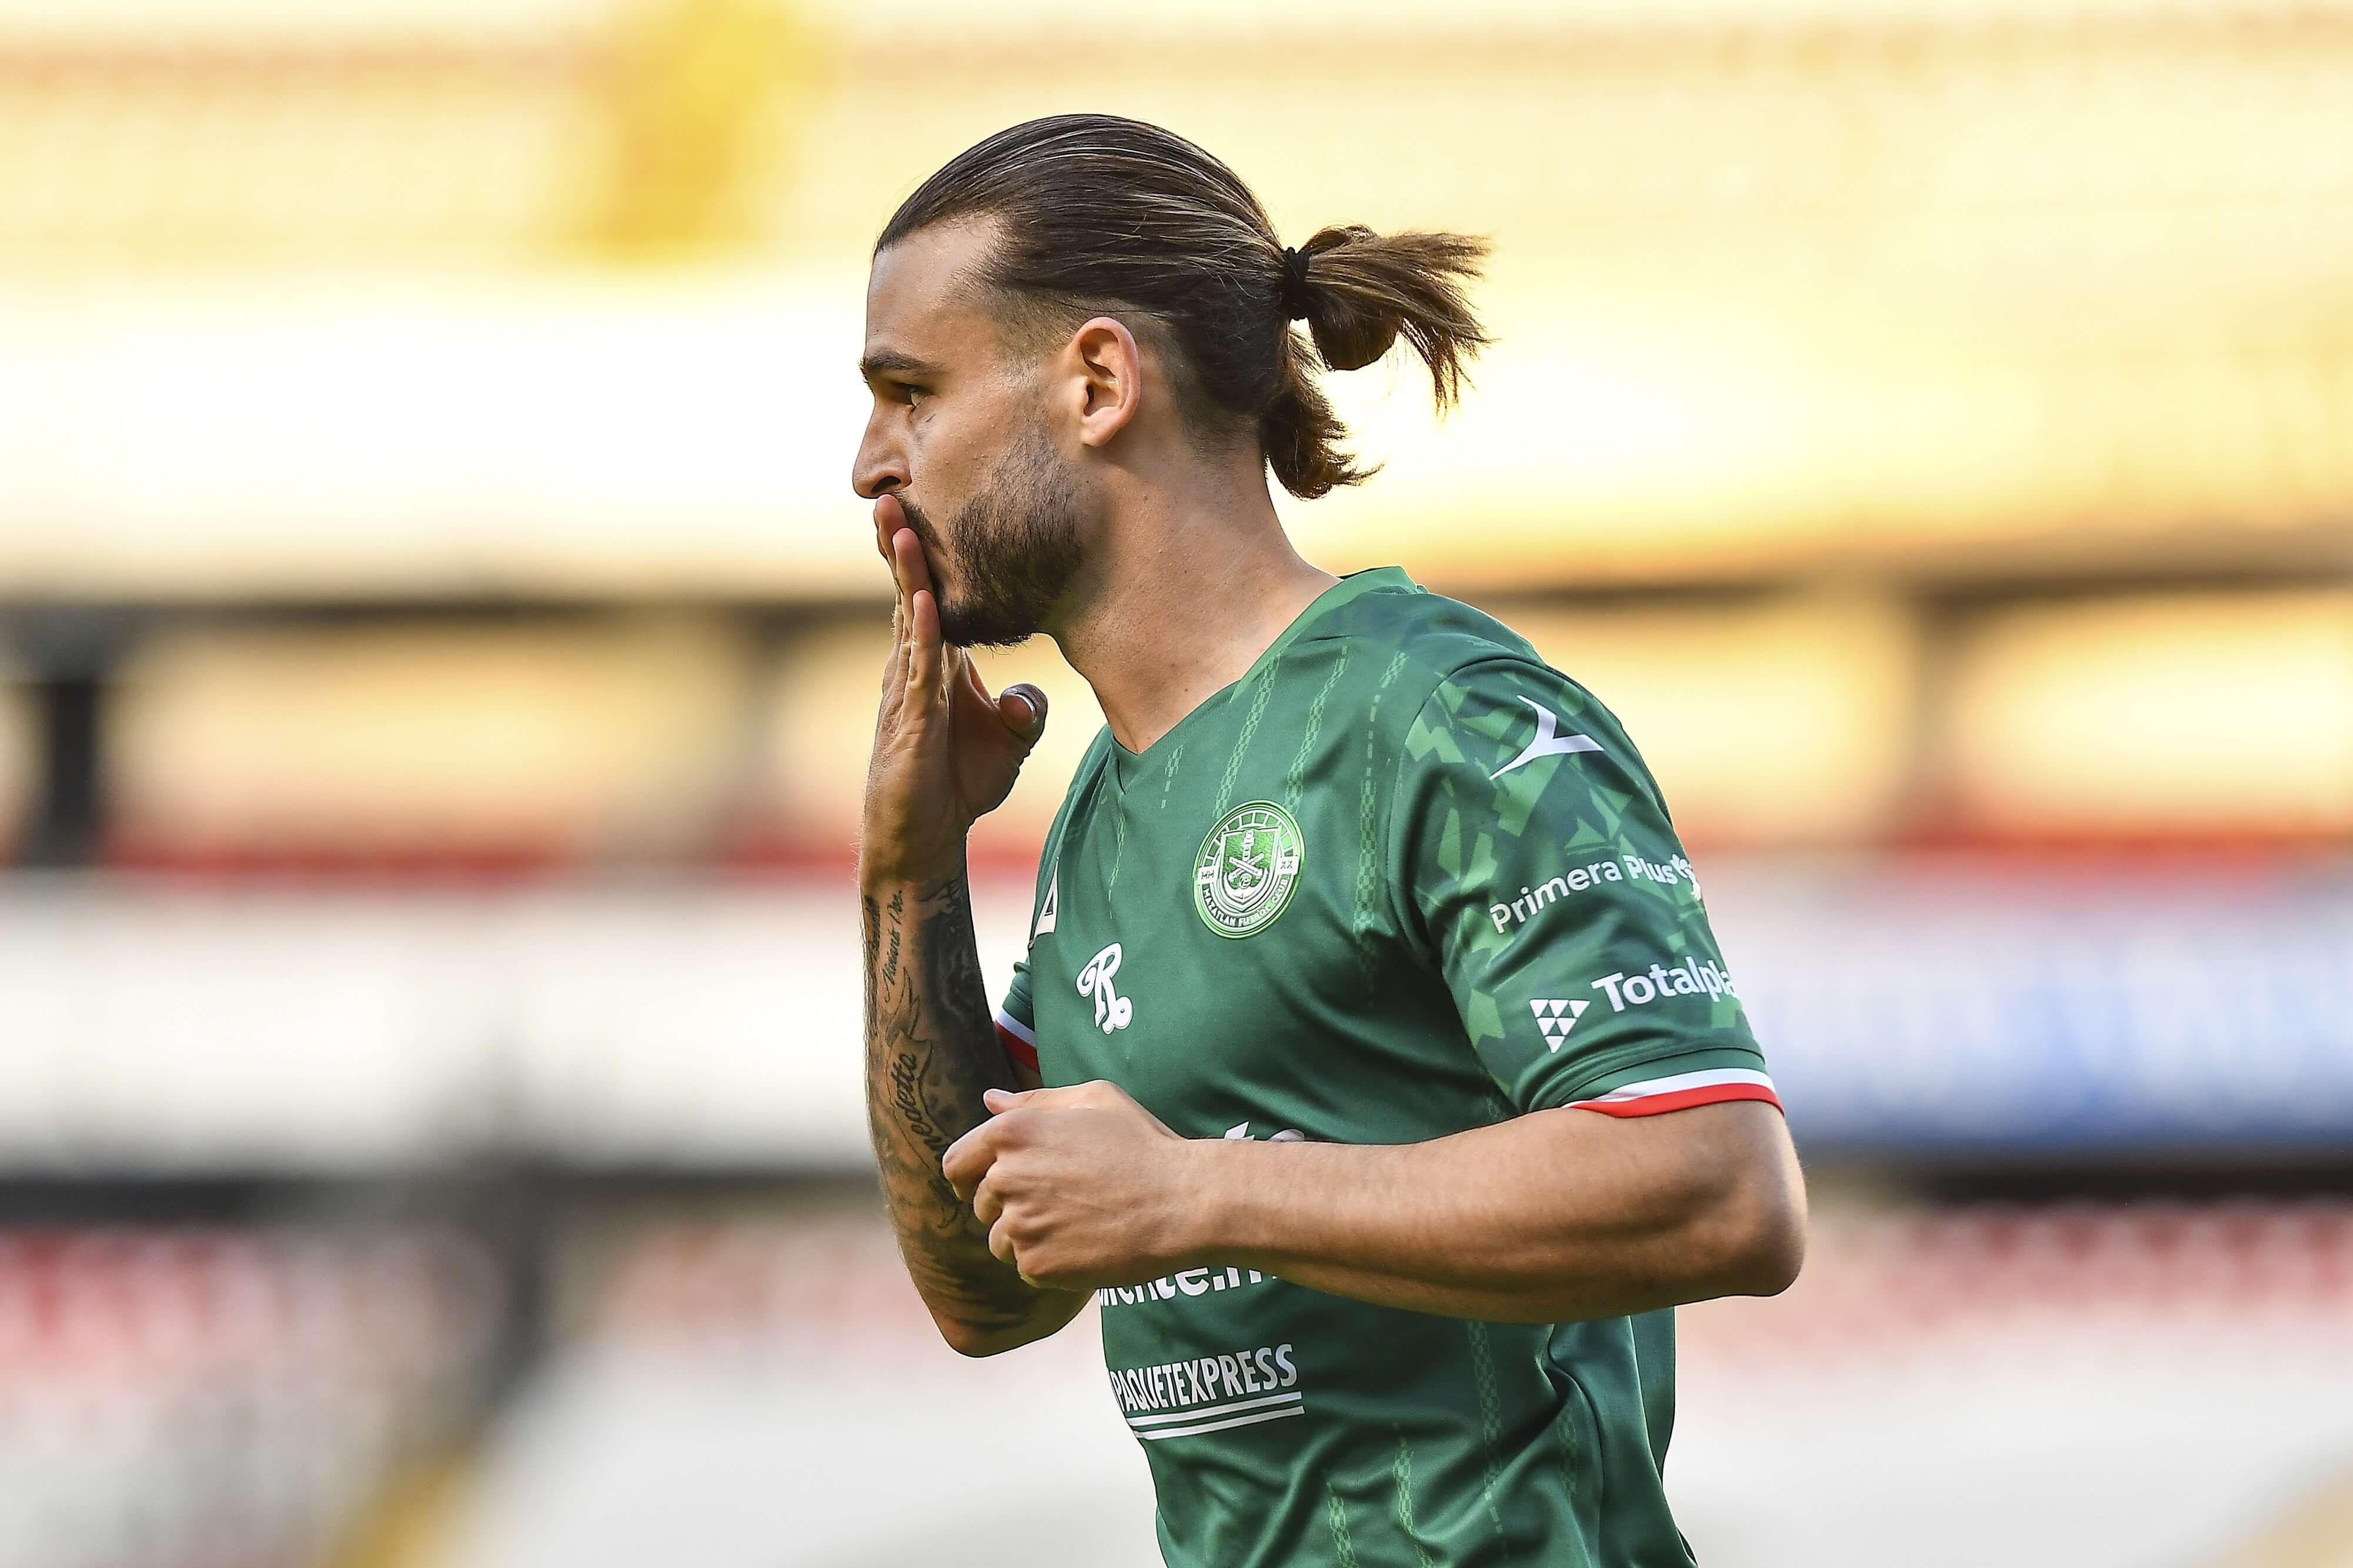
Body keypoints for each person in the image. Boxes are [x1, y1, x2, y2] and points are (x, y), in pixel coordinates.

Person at [854, 113, 1804, 1568]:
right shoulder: (1103, 810)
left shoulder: (1437, 718)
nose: (870, 463)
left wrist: (1194, 1190)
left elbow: (1719, 1184)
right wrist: (908, 873)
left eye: (911, 392)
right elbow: (988, 1294)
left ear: (1098, 381)